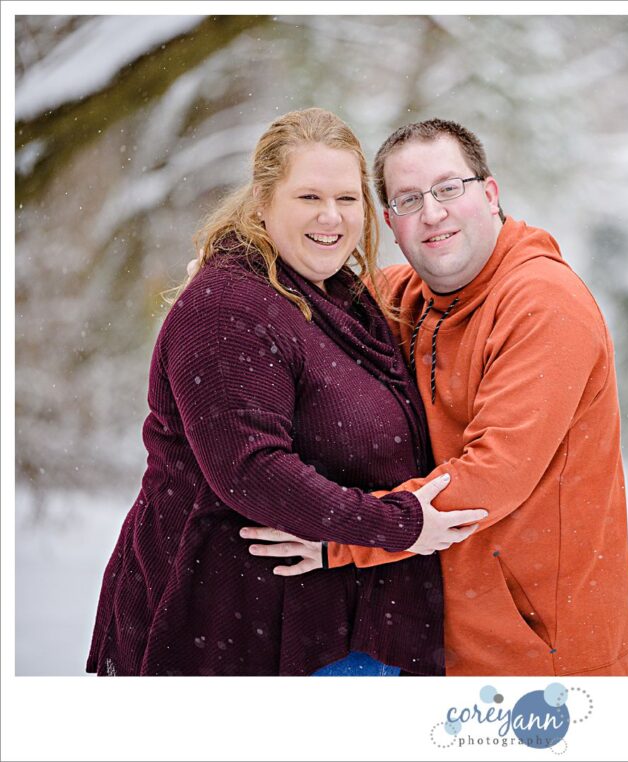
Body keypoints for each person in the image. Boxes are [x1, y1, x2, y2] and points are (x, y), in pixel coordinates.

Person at [86, 108, 486, 676]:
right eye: (308, 197)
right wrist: (399, 525)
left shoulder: (336, 295)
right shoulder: (228, 307)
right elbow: (251, 470)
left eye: (348, 199)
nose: (331, 217)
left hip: (328, 623)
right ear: (262, 203)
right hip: (230, 627)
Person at [246, 119, 628, 676]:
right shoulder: (408, 298)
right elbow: (303, 286)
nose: (432, 212)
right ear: (390, 223)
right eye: (409, 199)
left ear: (489, 194)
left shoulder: (544, 305)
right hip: (455, 650)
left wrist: (341, 535)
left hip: (550, 659)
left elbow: (493, 477)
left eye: (448, 188)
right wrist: (230, 279)